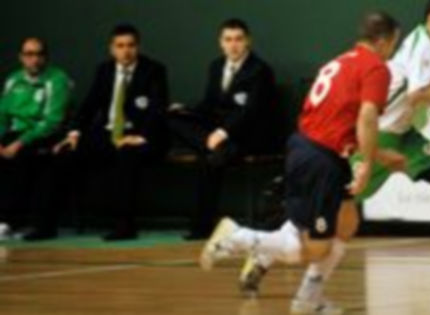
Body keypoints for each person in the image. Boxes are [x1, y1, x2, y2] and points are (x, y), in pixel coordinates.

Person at [199, 11, 400, 314]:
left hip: (312, 149)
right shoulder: (376, 68)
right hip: (320, 159)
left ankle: (308, 299)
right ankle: (237, 238)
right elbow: (367, 117)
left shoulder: (341, 61)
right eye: (394, 44)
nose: (392, 51)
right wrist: (369, 165)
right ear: (383, 41)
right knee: (314, 247)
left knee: (347, 222)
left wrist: (378, 154)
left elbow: (337, 119)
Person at [55, 24, 169, 241]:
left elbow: (157, 109)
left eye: (130, 45)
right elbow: (89, 105)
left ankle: (125, 227)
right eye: (120, 46)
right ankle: (46, 225)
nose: (126, 51)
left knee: (126, 155)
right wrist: (74, 133)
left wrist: (141, 136)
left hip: (141, 136)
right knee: (64, 152)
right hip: (109, 133)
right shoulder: (104, 70)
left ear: (138, 47)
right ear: (112, 49)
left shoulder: (154, 70)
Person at [168, 18, 278, 240]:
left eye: (238, 39)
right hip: (217, 134)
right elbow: (210, 104)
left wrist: (222, 133)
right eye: (228, 40)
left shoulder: (260, 70)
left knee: (210, 160)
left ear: (248, 41)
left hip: (246, 136)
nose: (233, 45)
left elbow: (251, 112)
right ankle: (211, 144)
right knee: (171, 118)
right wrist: (186, 111)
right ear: (221, 42)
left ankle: (201, 227)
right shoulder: (216, 66)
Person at [0, 37, 72, 241]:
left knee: (23, 156)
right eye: (29, 54)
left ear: (46, 57)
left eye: (39, 54)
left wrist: (19, 143)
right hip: (14, 133)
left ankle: (9, 221)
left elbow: (52, 121)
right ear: (21, 57)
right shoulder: (13, 80)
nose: (35, 59)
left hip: (43, 135)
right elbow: (2, 116)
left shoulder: (57, 79)